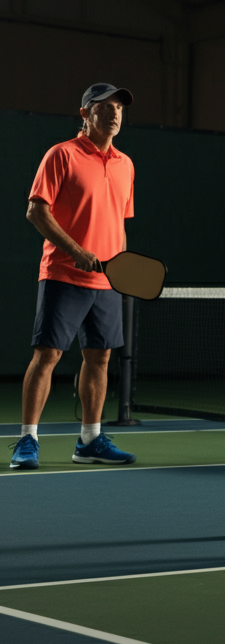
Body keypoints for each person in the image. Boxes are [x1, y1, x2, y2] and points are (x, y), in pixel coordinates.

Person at [11, 84, 138, 470]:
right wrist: (76, 251)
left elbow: (117, 222)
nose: (114, 113)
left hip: (106, 282)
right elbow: (36, 211)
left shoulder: (125, 164)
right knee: (47, 355)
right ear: (84, 113)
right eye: (105, 107)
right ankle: (27, 440)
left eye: (119, 107)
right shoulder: (61, 154)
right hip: (63, 274)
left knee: (99, 359)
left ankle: (90, 440)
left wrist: (122, 268)